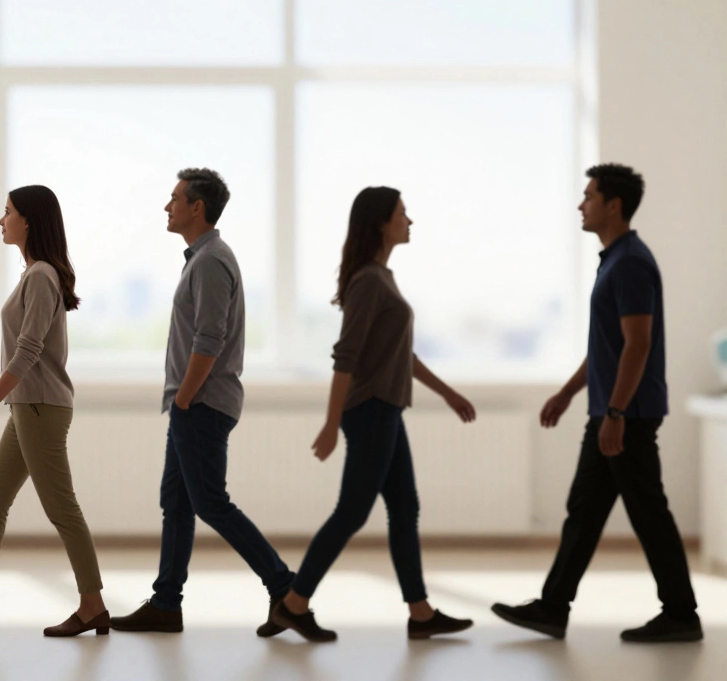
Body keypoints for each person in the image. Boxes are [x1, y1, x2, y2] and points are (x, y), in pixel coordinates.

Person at [492, 164, 701, 643]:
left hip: (627, 414)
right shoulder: (615, 260)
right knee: (584, 510)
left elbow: (638, 344)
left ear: (613, 205)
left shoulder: (630, 263)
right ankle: (552, 607)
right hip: (612, 411)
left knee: (647, 512)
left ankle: (681, 614)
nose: (580, 205)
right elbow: (608, 346)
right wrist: (568, 394)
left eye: (589, 196)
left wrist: (616, 412)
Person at [268, 187, 475, 642]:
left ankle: (420, 613)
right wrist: (330, 422)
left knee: (404, 508)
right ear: (382, 223)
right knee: (352, 512)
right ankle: (294, 604)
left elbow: (402, 355)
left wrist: (448, 394)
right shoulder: (368, 281)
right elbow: (346, 355)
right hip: (370, 412)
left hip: (387, 411)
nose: (409, 220)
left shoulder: (382, 278)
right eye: (403, 213)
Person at [112, 168, 295, 637]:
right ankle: (165, 604)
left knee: (210, 502)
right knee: (176, 502)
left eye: (175, 198)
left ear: (197, 207)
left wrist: (185, 398)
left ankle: (286, 588)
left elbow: (209, 339)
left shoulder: (211, 261)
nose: (167, 206)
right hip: (194, 404)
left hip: (202, 404)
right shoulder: (202, 258)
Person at [0, 185, 110, 637]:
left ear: (29, 220)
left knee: (61, 508)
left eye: (8, 212)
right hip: (27, 408)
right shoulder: (35, 274)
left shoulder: (41, 276)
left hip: (40, 408)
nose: (1, 220)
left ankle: (93, 605)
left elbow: (28, 351)